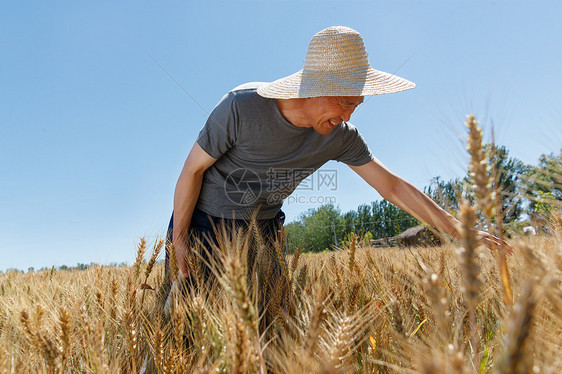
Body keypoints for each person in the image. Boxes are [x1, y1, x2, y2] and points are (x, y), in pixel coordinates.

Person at [165, 25, 511, 297]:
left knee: (267, 330)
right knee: (185, 323)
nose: (347, 115)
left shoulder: (341, 136)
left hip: (265, 230)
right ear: (312, 87)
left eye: (356, 105)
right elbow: (191, 170)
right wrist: (180, 238)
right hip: (204, 223)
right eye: (344, 101)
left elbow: (392, 186)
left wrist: (457, 229)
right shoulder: (241, 107)